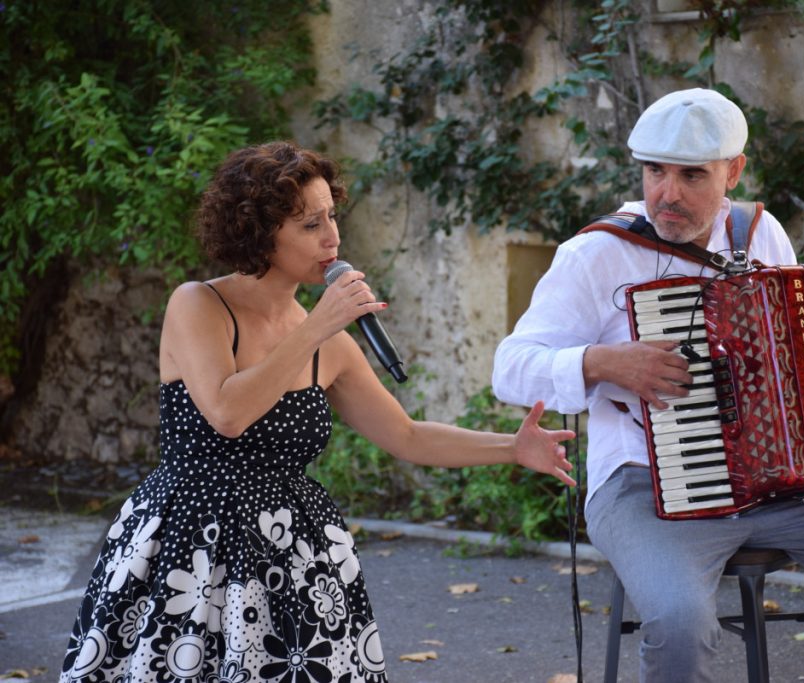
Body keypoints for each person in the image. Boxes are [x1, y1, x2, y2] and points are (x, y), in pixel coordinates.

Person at [59, 140, 576, 683]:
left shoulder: (330, 343)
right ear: (258, 231)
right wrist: (316, 325)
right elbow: (227, 413)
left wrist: (512, 448)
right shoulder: (199, 305)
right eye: (309, 225)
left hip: (294, 549)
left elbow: (407, 435)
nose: (332, 237)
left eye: (331, 216)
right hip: (192, 540)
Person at [492, 88, 804, 682]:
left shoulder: (761, 237)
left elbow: (803, 372)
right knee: (680, 619)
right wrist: (603, 362)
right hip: (645, 488)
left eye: (691, 175)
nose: (667, 193)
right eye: (654, 172)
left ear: (733, 171)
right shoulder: (597, 255)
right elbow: (509, 366)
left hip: (781, 490)